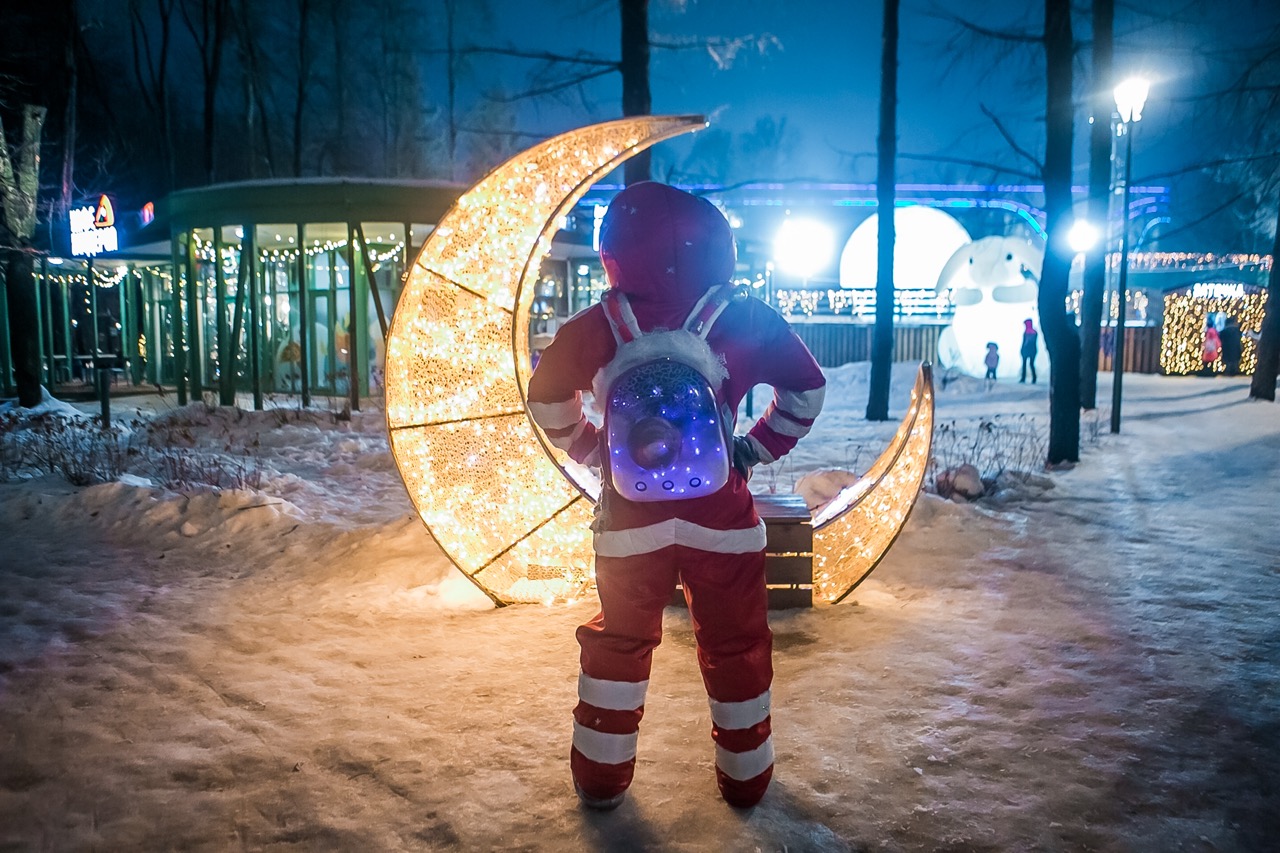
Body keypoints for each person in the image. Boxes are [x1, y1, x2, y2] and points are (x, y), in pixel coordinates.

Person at [527, 182, 826, 811]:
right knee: (736, 643)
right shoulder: (744, 319)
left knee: (619, 643)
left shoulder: (596, 327)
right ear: (719, 249)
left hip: (628, 527)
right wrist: (754, 449)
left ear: (613, 251)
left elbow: (546, 398)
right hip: (723, 521)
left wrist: (593, 450)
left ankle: (601, 778)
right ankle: (746, 777)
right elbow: (807, 391)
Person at [1019, 318, 1038, 384]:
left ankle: (1032, 378)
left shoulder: (1031, 333)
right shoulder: (1033, 332)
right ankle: (1026, 378)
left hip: (1030, 350)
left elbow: (1026, 342)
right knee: (1027, 364)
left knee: (1030, 364)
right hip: (1030, 350)